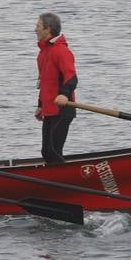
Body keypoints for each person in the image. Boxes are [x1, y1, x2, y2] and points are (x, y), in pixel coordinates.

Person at [35, 12, 78, 164]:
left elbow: (71, 77)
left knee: (52, 150)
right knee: (46, 152)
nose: (35, 29)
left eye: (38, 26)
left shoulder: (61, 51)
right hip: (49, 109)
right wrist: (40, 105)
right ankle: (57, 174)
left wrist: (64, 94)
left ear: (48, 29)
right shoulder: (43, 53)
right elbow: (45, 83)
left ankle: (66, 176)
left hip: (63, 109)